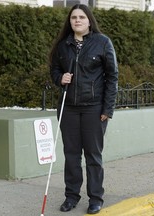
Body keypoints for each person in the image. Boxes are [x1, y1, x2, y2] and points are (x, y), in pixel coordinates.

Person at [49, 4, 118, 215]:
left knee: (93, 156)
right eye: (73, 18)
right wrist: (60, 78)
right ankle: (71, 196)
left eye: (81, 17)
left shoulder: (102, 42)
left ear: (89, 20)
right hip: (68, 108)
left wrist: (108, 108)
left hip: (94, 109)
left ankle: (95, 198)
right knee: (71, 156)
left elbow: (112, 77)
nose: (77, 21)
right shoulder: (63, 45)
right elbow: (54, 69)